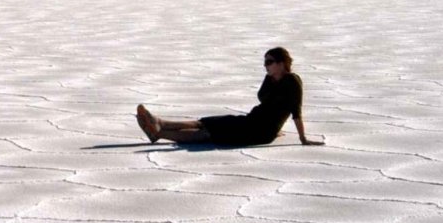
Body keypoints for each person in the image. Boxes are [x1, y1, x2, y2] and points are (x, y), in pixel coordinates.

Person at [136, 46, 322, 146]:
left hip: (259, 132)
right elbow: (263, 99)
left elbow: (296, 111)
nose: (266, 65)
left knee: (207, 134)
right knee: (209, 122)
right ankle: (160, 122)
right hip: (251, 121)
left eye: (270, 62)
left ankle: (159, 132)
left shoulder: (292, 81)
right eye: (265, 61)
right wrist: (269, 78)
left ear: (282, 63)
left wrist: (302, 138)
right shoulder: (272, 79)